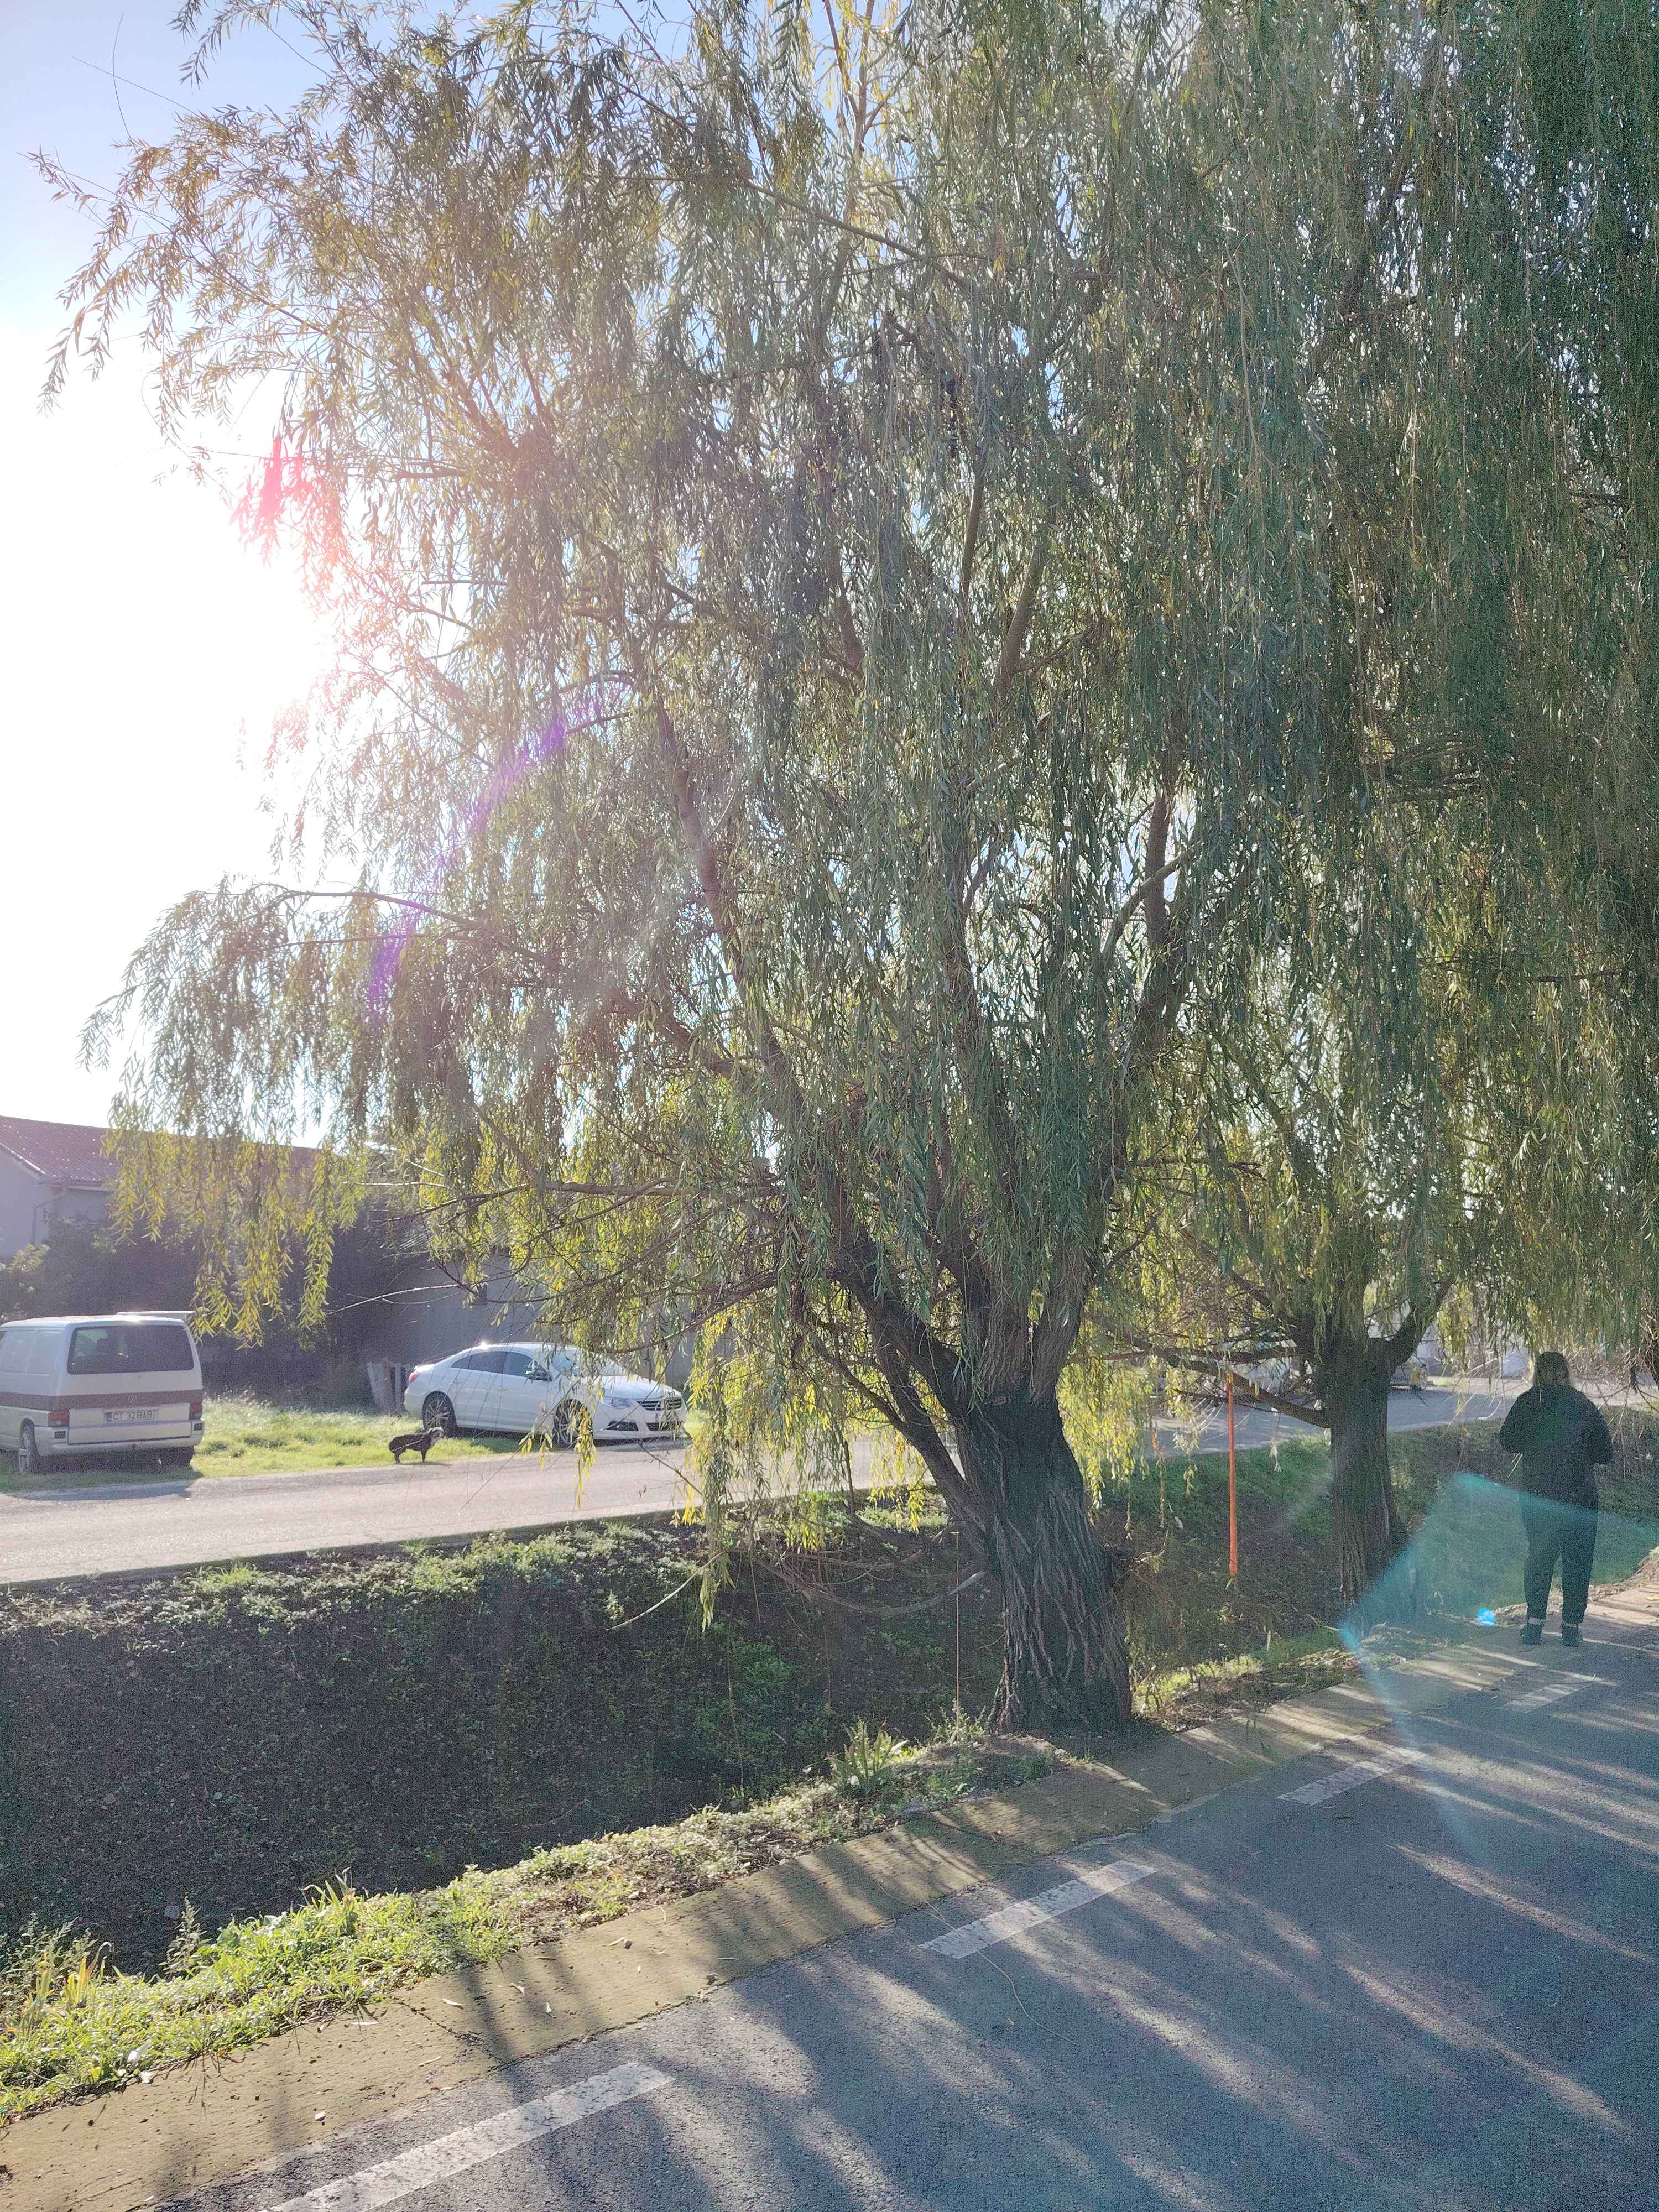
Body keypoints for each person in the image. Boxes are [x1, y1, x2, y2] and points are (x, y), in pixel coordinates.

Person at [1498, 1351, 1611, 1647]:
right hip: (1579, 1496)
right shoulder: (1583, 1404)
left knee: (1540, 1556)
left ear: (1537, 1372)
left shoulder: (1528, 1401)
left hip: (1538, 1497)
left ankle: (1534, 1626)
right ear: (1566, 1373)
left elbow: (1507, 1440)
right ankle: (1571, 1628)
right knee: (1578, 1560)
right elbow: (1605, 1453)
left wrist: (1534, 1442)